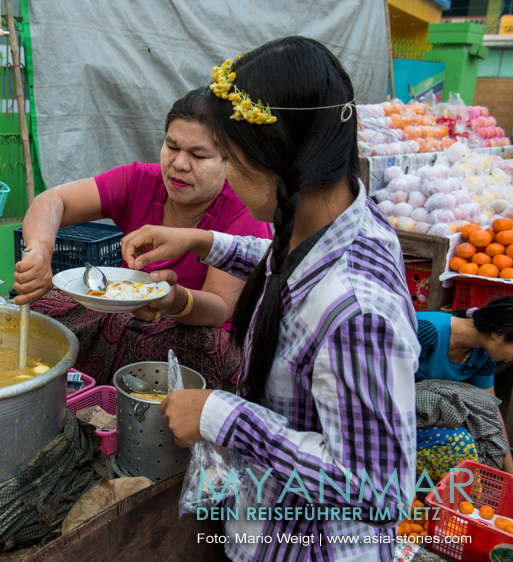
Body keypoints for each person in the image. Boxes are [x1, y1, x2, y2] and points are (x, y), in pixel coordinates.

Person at [120, 37, 418, 561]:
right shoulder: (335, 216)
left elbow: (378, 491)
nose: (227, 177)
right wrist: (206, 242)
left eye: (229, 159)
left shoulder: (357, 310)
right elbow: (292, 264)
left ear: (282, 157)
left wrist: (219, 416)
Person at [13, 88, 271, 389]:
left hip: (199, 333)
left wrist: (174, 300)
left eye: (198, 155)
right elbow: (53, 201)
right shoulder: (141, 181)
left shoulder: (243, 209)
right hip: (130, 317)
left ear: (231, 161)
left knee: (182, 346)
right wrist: (39, 251)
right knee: (45, 310)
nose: (179, 164)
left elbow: (220, 309)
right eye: (171, 147)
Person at [414, 296, 513, 480]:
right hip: (388, 415)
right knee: (461, 443)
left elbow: (488, 411)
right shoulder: (427, 331)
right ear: (498, 334)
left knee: (488, 443)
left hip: (426, 419)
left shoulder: (483, 355)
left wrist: (509, 472)